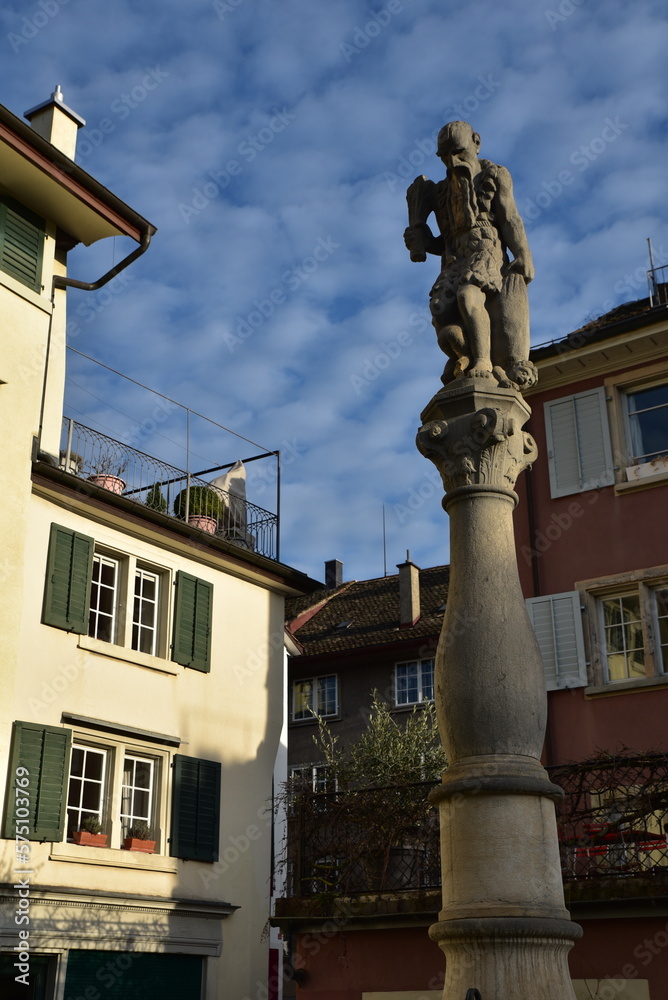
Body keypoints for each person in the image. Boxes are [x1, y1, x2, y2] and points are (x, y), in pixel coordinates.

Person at [404, 121, 537, 390]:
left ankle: (484, 361)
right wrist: (422, 241)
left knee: (468, 295)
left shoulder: (494, 175)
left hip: (486, 247)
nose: (452, 161)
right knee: (440, 310)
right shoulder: (441, 190)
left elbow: (509, 218)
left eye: (458, 152)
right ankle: (464, 356)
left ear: (476, 142)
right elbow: (443, 241)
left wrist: (523, 253)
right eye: (445, 156)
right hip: (454, 256)